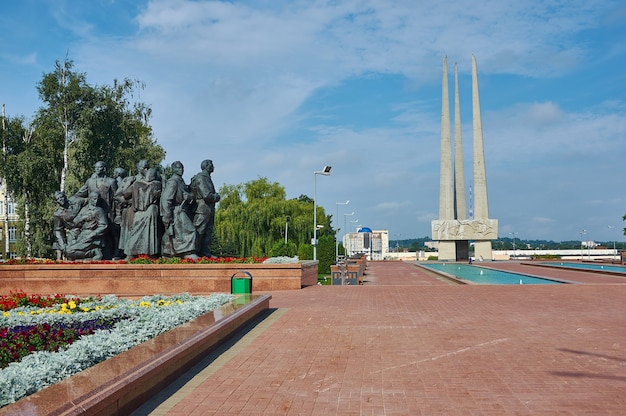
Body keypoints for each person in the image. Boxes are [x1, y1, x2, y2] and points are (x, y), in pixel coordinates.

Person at [74, 161, 118, 258]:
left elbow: (116, 198)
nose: (97, 169)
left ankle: (116, 252)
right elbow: (80, 193)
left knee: (112, 233)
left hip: (108, 211)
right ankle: (97, 252)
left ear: (104, 169)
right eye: (96, 167)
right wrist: (70, 201)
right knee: (98, 234)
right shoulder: (90, 181)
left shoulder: (111, 181)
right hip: (93, 212)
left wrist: (118, 214)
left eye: (100, 167)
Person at [120, 160, 162, 258]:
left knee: (142, 232)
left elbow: (125, 193)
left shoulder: (138, 183)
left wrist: (129, 183)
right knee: (141, 232)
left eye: (144, 168)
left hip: (145, 211)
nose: (144, 170)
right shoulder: (155, 183)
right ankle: (144, 254)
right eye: (142, 168)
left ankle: (135, 253)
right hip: (144, 210)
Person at [160, 161, 198, 258]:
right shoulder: (173, 181)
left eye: (182, 168)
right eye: (178, 168)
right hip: (176, 211)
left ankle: (167, 253)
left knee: (176, 234)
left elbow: (186, 194)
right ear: (173, 169)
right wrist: (167, 215)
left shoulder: (180, 181)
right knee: (190, 231)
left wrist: (189, 197)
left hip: (182, 209)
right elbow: (166, 199)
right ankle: (188, 253)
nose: (181, 170)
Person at [64, 191, 109, 261]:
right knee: (67, 251)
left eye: (97, 199)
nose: (96, 201)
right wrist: (83, 218)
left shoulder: (99, 210)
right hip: (82, 235)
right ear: (90, 199)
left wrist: (91, 235)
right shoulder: (84, 209)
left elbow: (103, 226)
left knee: (69, 252)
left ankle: (94, 252)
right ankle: (92, 253)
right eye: (94, 199)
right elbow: (75, 222)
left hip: (93, 237)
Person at [190, 159, 220, 257]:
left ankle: (205, 252)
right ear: (206, 166)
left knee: (208, 231)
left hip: (208, 208)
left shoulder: (207, 177)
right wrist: (216, 197)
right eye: (212, 165)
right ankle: (193, 251)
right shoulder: (201, 178)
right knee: (199, 230)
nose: (213, 166)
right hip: (202, 208)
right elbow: (206, 195)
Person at [52, 191, 87, 259]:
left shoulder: (77, 201)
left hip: (86, 228)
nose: (60, 199)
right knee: (71, 251)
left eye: (61, 197)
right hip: (74, 232)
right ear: (56, 201)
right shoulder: (58, 214)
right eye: (58, 199)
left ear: (65, 197)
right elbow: (58, 230)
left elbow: (89, 201)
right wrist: (63, 245)